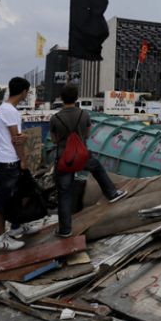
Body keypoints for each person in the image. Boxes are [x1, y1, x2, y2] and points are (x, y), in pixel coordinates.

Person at [50, 85, 128, 238]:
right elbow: (87, 134)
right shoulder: (84, 114)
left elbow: (54, 140)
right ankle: (112, 193)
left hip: (64, 160)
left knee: (64, 194)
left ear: (62, 98)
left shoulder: (55, 118)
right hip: (82, 156)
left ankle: (65, 230)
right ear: (76, 98)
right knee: (97, 168)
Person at [0, 77, 40, 251]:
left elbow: (16, 136)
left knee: (20, 194)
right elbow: (16, 140)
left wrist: (22, 137)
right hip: (7, 161)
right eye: (27, 92)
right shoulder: (11, 111)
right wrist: (23, 160)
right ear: (24, 92)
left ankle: (18, 225)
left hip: (6, 160)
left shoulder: (4, 108)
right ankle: (1, 239)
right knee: (2, 201)